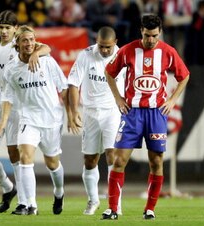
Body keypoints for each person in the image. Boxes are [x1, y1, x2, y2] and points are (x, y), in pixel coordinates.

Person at [101, 14, 190, 220]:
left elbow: (184, 76)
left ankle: (150, 209)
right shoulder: (127, 51)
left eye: (155, 36)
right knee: (119, 160)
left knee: (156, 162)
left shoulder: (168, 52)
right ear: (141, 30)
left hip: (156, 113)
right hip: (132, 113)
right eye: (148, 35)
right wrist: (118, 99)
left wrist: (172, 101)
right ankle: (113, 208)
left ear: (159, 33)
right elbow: (109, 73)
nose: (151, 40)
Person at [0, 10, 51, 214]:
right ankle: (8, 188)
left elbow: (46, 48)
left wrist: (35, 53)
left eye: (8, 27)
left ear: (16, 28)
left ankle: (24, 202)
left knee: (15, 153)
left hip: (16, 107)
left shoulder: (20, 46)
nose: (5, 31)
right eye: (2, 27)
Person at [0, 25, 69, 215]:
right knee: (25, 158)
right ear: (17, 43)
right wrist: (3, 122)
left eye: (31, 39)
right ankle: (31, 205)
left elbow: (64, 87)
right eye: (24, 40)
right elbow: (7, 98)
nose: (29, 43)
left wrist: (72, 113)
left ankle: (59, 192)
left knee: (53, 163)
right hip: (28, 119)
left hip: (51, 119)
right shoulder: (11, 69)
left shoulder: (47, 61)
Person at [68, 26, 124, 215]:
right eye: (101, 46)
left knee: (113, 157)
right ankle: (93, 201)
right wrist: (74, 111)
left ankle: (115, 204)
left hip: (113, 112)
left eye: (108, 47)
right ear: (96, 42)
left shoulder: (123, 56)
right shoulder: (85, 55)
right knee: (90, 160)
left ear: (115, 43)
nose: (105, 50)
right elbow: (74, 84)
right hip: (91, 112)